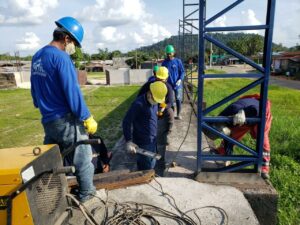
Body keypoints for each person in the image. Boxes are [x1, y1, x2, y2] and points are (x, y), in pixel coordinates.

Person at [30, 17, 97, 202]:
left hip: (48, 120)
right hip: (66, 121)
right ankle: (87, 194)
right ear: (66, 39)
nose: (73, 47)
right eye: (74, 43)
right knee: (83, 159)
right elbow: (72, 91)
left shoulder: (37, 56)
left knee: (52, 160)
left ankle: (48, 196)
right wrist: (86, 116)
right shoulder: (61, 58)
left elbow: (34, 91)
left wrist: (41, 103)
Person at [208, 94, 272, 179]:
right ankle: (223, 150)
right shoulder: (230, 111)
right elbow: (231, 133)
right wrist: (228, 155)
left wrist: (244, 112)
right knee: (234, 132)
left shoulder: (247, 107)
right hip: (244, 116)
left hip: (261, 114)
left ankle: (264, 167)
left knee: (262, 139)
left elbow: (256, 109)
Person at [122, 81, 168, 170]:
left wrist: (158, 113)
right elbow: (126, 122)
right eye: (155, 99)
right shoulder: (138, 104)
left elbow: (152, 114)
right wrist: (128, 141)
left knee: (152, 161)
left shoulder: (153, 101)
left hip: (153, 139)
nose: (156, 102)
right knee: (145, 167)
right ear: (149, 93)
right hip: (143, 142)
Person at [162, 45, 185, 120]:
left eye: (170, 53)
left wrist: (180, 79)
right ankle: (171, 115)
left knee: (178, 99)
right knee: (170, 100)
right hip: (169, 85)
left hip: (178, 85)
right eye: (167, 54)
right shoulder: (164, 63)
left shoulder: (178, 61)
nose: (168, 55)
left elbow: (182, 72)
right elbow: (162, 73)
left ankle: (178, 114)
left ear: (173, 53)